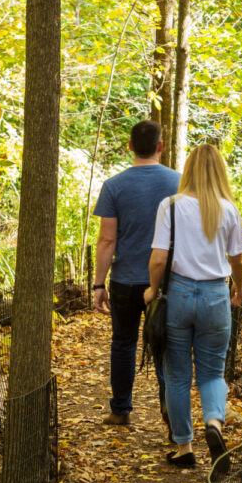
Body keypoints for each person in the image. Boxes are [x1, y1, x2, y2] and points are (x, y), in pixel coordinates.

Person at [145, 144, 242, 469]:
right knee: (212, 372)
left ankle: (184, 447)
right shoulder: (228, 209)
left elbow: (159, 259)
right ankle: (214, 423)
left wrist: (152, 290)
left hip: (179, 296)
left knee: (176, 375)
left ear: (187, 171)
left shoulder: (170, 206)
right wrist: (239, 289)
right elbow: (239, 259)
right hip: (217, 295)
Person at [92, 120, 181, 428]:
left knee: (123, 343)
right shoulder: (181, 183)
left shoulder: (114, 186)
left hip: (126, 281)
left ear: (129, 146)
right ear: (160, 146)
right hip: (168, 281)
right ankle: (171, 413)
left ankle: (120, 410)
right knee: (165, 346)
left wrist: (98, 283)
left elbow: (107, 239)